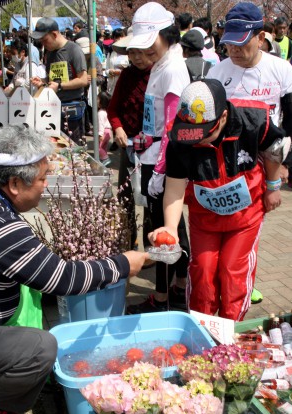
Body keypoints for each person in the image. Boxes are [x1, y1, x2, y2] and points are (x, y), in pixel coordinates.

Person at [0, 125, 147, 414]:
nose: (47, 186)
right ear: (15, 183)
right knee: (41, 347)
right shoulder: (1, 229)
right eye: (43, 178)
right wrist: (123, 264)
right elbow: (64, 279)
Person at [153, 79, 291, 320]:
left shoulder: (254, 118)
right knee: (203, 272)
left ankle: (230, 330)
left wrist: (272, 186)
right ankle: (202, 328)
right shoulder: (179, 138)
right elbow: (174, 188)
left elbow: (273, 151)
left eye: (206, 133)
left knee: (232, 271)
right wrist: (171, 228)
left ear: (224, 117)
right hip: (204, 218)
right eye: (191, 136)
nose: (198, 141)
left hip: (245, 217)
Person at [207, 1, 292, 304]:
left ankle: (244, 280)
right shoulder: (217, 72)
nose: (234, 50)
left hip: (268, 159)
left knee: (254, 225)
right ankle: (228, 280)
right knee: (229, 225)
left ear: (260, 36)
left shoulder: (281, 70)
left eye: (241, 43)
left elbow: (290, 119)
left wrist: (284, 166)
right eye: (229, 42)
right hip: (229, 163)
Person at [125, 2, 190, 314]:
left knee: (166, 235)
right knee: (171, 232)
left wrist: (161, 170)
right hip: (153, 158)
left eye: (149, 44)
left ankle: (168, 297)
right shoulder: (160, 65)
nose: (143, 53)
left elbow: (173, 126)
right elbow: (155, 123)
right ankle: (176, 292)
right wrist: (142, 139)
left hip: (165, 165)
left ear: (166, 35)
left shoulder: (173, 69)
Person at [107, 43, 153, 250]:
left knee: (152, 196)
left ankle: (150, 242)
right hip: (129, 145)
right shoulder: (126, 75)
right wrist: (118, 128)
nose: (137, 57)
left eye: (140, 52)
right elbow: (113, 108)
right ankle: (129, 240)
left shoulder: (159, 73)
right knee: (126, 196)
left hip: (154, 148)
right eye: (132, 52)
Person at [30, 17, 88, 144]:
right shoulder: (50, 53)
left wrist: (60, 86)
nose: (43, 44)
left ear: (55, 34)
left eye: (45, 40)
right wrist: (42, 82)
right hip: (52, 108)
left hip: (71, 109)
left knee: (73, 148)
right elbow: (53, 79)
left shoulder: (74, 50)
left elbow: (83, 80)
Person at [98, 91, 112, 166]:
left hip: (103, 131)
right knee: (104, 147)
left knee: (99, 148)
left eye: (98, 99)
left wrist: (100, 134)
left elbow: (101, 124)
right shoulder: (107, 112)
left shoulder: (100, 113)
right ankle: (103, 158)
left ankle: (106, 159)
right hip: (108, 131)